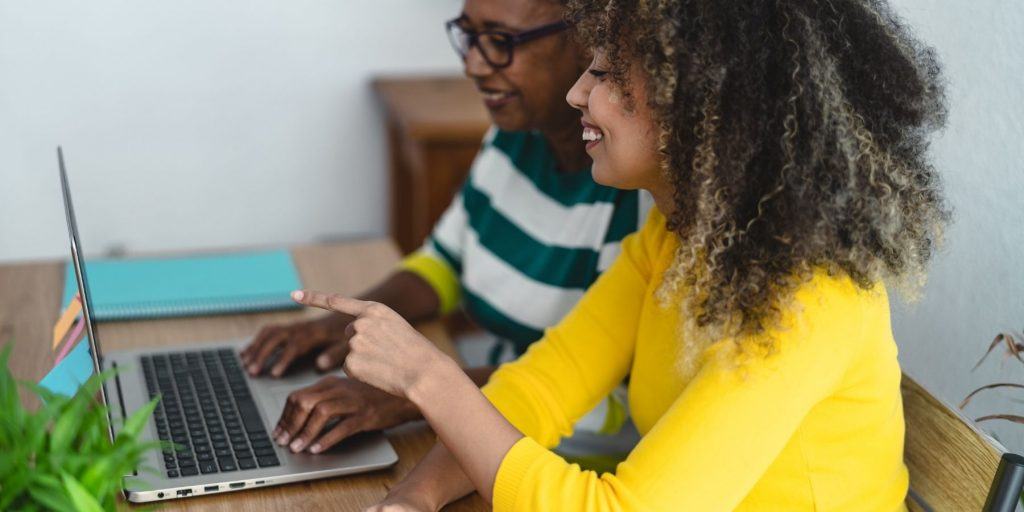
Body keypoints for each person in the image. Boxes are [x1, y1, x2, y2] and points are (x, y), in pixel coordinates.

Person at [291, 0, 950, 509]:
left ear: (696, 105)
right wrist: (416, 496)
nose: (579, 93)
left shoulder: (808, 301)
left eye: (604, 72)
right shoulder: (672, 241)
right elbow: (536, 389)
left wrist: (425, 378)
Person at [240, 0, 647, 456]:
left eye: (500, 41)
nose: (473, 64)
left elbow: (602, 402)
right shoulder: (516, 136)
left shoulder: (637, 197)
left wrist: (413, 393)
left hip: (566, 458)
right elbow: (446, 261)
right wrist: (339, 325)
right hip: (486, 420)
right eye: (468, 35)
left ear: (589, 42)